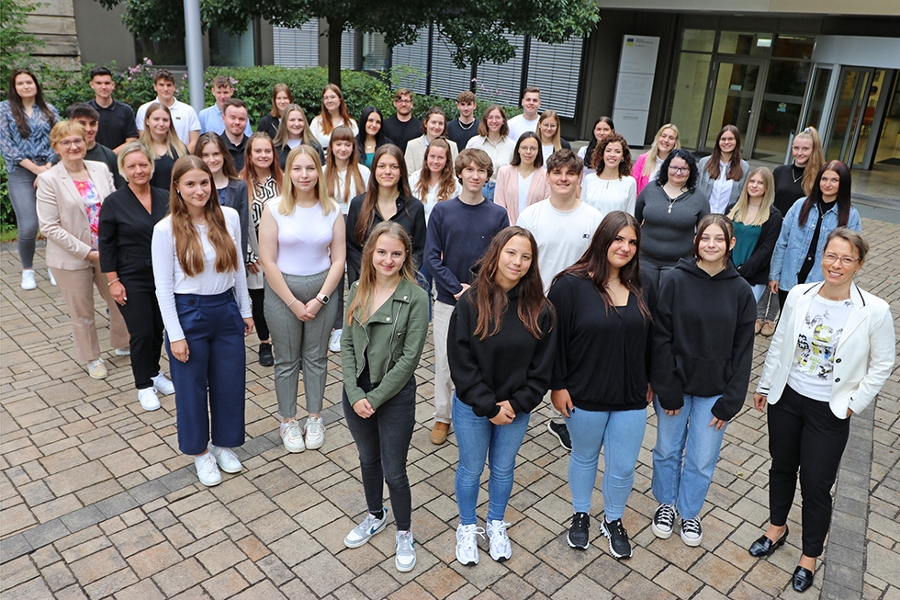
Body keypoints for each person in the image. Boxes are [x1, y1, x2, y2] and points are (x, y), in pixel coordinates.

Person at [751, 228, 894, 593]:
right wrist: (766, 385)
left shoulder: (874, 310)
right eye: (831, 255)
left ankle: (809, 556)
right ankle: (776, 528)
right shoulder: (800, 294)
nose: (836, 264)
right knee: (781, 466)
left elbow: (882, 364)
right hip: (787, 399)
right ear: (822, 255)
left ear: (859, 265)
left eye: (847, 259)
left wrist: (853, 405)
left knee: (816, 484)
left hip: (830, 411)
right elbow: (782, 341)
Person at [550, 211, 655, 558]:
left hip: (630, 395)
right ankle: (580, 513)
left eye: (632, 242)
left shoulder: (644, 283)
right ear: (602, 239)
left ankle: (613, 520)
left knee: (623, 465)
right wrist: (558, 385)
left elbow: (654, 338)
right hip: (584, 394)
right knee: (584, 456)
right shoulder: (569, 285)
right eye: (618, 239)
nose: (625, 247)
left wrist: (652, 378)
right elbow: (555, 341)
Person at [449, 225, 556, 565]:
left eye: (526, 256)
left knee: (503, 469)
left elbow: (542, 368)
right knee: (470, 468)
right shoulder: (469, 301)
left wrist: (517, 403)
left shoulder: (541, 308)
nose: (518, 261)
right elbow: (460, 361)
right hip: (472, 406)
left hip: (516, 408)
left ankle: (496, 522)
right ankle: (467, 526)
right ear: (496, 253)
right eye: (511, 252)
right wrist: (487, 405)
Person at [650, 214, 756, 547]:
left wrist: (732, 400)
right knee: (667, 450)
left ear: (731, 244)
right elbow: (660, 337)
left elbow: (744, 351)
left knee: (702, 457)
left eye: (719, 239)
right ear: (696, 241)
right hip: (675, 388)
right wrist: (667, 389)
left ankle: (690, 510)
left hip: (715, 392)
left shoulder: (740, 292)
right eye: (705, 238)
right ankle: (667, 504)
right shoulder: (675, 281)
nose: (711, 245)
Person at [151, 155, 253, 487]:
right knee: (191, 389)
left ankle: (223, 444)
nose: (199, 190)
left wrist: (245, 309)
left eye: (204, 182)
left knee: (229, 382)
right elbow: (163, 287)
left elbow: (237, 269)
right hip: (188, 312)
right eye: (190, 184)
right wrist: (175, 334)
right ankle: (200, 453)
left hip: (225, 309)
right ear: (177, 188)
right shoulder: (165, 229)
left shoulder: (230, 217)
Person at [340, 222, 429, 573]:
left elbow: (409, 359)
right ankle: (375, 515)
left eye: (396, 253)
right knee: (367, 460)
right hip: (356, 392)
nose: (388, 259)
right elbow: (347, 342)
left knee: (395, 471)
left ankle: (404, 532)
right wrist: (352, 390)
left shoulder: (417, 297)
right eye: (381, 252)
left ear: (406, 254)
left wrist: (374, 398)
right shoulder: (357, 288)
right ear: (370, 254)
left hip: (393, 395)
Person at [258, 146, 345, 454]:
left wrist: (321, 298)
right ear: (288, 173)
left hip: (322, 290)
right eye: (298, 169)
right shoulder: (274, 208)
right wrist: (294, 303)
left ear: (318, 172)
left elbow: (339, 259)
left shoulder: (331, 208)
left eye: (310, 169)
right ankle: (289, 420)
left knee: (316, 358)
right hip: (283, 291)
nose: (304, 175)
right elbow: (267, 260)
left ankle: (315, 417)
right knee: (286, 360)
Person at [425, 149, 509, 445]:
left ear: (488, 176)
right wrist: (457, 287)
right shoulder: (442, 211)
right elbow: (431, 258)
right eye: (470, 170)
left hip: (486, 301)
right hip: (449, 300)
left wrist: (477, 289)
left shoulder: (498, 215)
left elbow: (500, 259)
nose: (475, 176)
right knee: (445, 360)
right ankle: (441, 415)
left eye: (481, 171)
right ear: (459, 173)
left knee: (481, 359)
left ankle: (476, 411)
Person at [36, 120, 129, 379]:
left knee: (120, 299)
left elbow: (113, 206)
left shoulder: (99, 168)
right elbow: (49, 227)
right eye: (65, 142)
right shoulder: (48, 179)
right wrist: (87, 252)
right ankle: (92, 358)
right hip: (70, 256)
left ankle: (123, 343)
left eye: (77, 140)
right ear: (56, 147)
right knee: (82, 311)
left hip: (106, 250)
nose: (73, 146)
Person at [98, 141, 174, 410]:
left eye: (144, 164)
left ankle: (154, 373)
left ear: (152, 167)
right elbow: (105, 244)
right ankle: (143, 385)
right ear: (123, 170)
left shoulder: (166, 196)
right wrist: (113, 281)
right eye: (132, 166)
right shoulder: (114, 202)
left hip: (164, 276)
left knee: (157, 329)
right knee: (141, 332)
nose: (139, 170)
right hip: (131, 277)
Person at [758, 127, 825, 336]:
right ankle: (759, 314)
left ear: (813, 150)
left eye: (805, 149)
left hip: (798, 234)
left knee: (785, 273)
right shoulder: (780, 172)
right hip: (774, 227)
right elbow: (769, 199)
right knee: (767, 269)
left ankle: (771, 318)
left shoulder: (817, 176)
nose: (799, 153)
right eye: (796, 148)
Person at [769, 160, 861, 311]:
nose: (827, 184)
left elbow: (851, 255)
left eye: (834, 180)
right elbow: (782, 242)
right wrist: (774, 275)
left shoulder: (851, 216)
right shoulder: (800, 205)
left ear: (843, 183)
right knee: (786, 323)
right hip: (790, 277)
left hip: (822, 282)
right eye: (824, 179)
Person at [1, 68, 60, 290]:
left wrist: (47, 167)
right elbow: (6, 147)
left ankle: (54, 266)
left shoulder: (49, 110)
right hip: (21, 172)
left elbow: (60, 138)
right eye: (21, 83)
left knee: (52, 222)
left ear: (36, 85)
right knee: (28, 226)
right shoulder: (4, 110)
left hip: (49, 169)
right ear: (14, 87)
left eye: (29, 82)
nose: (26, 86)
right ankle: (28, 270)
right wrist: (37, 171)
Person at [517, 149, 603, 293]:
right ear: (547, 176)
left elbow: (599, 265)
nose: (563, 178)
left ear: (579, 177)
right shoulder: (529, 216)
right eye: (557, 172)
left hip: (578, 302)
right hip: (536, 301)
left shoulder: (594, 218)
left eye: (570, 173)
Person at [347, 144, 426, 285]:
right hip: (366, 282)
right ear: (374, 170)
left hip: (400, 283)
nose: (387, 171)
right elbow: (352, 246)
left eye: (394, 167)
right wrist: (370, 274)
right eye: (382, 166)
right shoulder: (358, 204)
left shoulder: (415, 207)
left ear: (401, 171)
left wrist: (402, 276)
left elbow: (419, 250)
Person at [635, 149, 709, 290]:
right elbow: (635, 221)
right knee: (642, 301)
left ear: (691, 171)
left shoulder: (699, 198)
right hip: (644, 260)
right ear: (666, 167)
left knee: (666, 305)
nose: (678, 172)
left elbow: (704, 234)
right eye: (674, 167)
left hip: (679, 264)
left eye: (684, 169)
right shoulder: (651, 189)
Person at [240, 133, 283, 367]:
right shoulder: (240, 183)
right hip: (255, 252)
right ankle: (265, 343)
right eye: (258, 151)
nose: (263, 155)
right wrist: (248, 253)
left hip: (283, 252)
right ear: (250, 154)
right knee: (260, 300)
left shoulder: (285, 180)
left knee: (283, 298)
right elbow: (238, 222)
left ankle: (285, 340)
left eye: (267, 151)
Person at [726, 167, 782, 303]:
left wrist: (743, 270)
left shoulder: (774, 216)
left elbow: (766, 249)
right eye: (752, 181)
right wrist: (730, 267)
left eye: (760, 183)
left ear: (767, 187)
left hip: (753, 278)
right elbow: (723, 239)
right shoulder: (732, 209)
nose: (754, 186)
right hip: (726, 272)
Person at [194, 132, 250, 267]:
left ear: (224, 155)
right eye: (205, 155)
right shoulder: (192, 189)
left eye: (216, 154)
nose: (211, 160)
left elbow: (242, 230)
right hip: (199, 258)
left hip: (229, 258)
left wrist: (239, 266)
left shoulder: (239, 186)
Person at [51, 103, 125, 189]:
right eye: (82, 124)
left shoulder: (109, 156)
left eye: (92, 124)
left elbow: (120, 189)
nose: (88, 129)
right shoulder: (62, 156)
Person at [135, 69, 200, 152]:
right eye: (161, 85)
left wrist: (182, 158)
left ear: (174, 87)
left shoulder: (188, 111)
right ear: (155, 87)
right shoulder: (144, 109)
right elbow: (143, 139)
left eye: (169, 85)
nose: (165, 89)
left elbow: (194, 141)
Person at [493, 132, 550, 225]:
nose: (528, 152)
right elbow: (499, 205)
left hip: (535, 230)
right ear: (518, 149)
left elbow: (546, 207)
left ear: (539, 151)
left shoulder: (546, 175)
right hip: (508, 229)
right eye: (524, 148)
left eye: (533, 148)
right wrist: (511, 229)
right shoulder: (504, 172)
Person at [465, 105, 516, 202]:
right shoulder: (474, 142)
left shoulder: (512, 146)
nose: (494, 121)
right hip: (478, 189)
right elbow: (464, 167)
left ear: (503, 121)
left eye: (498, 117)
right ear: (485, 120)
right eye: (490, 117)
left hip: (502, 192)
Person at [697, 125, 749, 214]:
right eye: (723, 139)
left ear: (737, 141)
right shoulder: (704, 163)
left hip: (727, 220)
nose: (726, 142)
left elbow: (742, 197)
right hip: (704, 217)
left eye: (731, 139)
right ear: (718, 141)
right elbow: (697, 189)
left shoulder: (744, 167)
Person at [581, 134, 636, 216]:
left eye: (617, 151)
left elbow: (630, 215)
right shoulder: (589, 179)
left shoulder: (630, 182)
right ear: (602, 154)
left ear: (623, 157)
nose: (612, 155)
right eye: (608, 150)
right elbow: (582, 210)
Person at [138, 102, 188, 190]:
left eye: (165, 120)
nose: (161, 124)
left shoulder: (180, 149)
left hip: (174, 201)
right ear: (147, 121)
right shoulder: (138, 149)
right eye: (156, 119)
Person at [87, 66, 138, 153]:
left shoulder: (126, 111)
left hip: (119, 161)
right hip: (91, 162)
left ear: (113, 85)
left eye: (107, 83)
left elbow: (131, 140)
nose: (103, 87)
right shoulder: (84, 111)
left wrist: (110, 156)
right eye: (99, 83)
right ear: (92, 85)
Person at [325, 125, 371, 212]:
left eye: (347, 145)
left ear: (353, 147)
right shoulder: (322, 171)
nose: (343, 149)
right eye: (338, 144)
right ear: (331, 146)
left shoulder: (364, 172)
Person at [404, 107, 459, 174]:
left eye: (440, 123)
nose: (437, 126)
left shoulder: (452, 146)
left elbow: (454, 174)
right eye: (433, 122)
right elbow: (408, 173)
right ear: (425, 123)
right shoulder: (412, 145)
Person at [632, 123, 680, 195]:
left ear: (675, 142)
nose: (666, 140)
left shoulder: (679, 165)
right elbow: (633, 185)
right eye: (663, 136)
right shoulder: (643, 159)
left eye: (671, 138)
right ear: (658, 138)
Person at [273, 104, 324, 169]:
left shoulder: (314, 147)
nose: (297, 124)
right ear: (284, 122)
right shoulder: (275, 148)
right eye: (292, 120)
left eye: (300, 120)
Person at [310, 84, 358, 149]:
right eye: (326, 98)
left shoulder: (351, 123)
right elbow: (311, 147)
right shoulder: (316, 122)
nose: (329, 101)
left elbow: (356, 147)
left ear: (340, 99)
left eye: (332, 97)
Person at [381, 89, 421, 154]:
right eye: (400, 101)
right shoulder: (385, 125)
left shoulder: (419, 127)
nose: (403, 104)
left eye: (407, 101)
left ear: (412, 103)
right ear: (395, 103)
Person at [218, 99, 251, 172]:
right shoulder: (217, 146)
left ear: (246, 121)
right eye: (233, 118)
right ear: (223, 118)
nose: (237, 122)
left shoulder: (253, 146)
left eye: (241, 119)